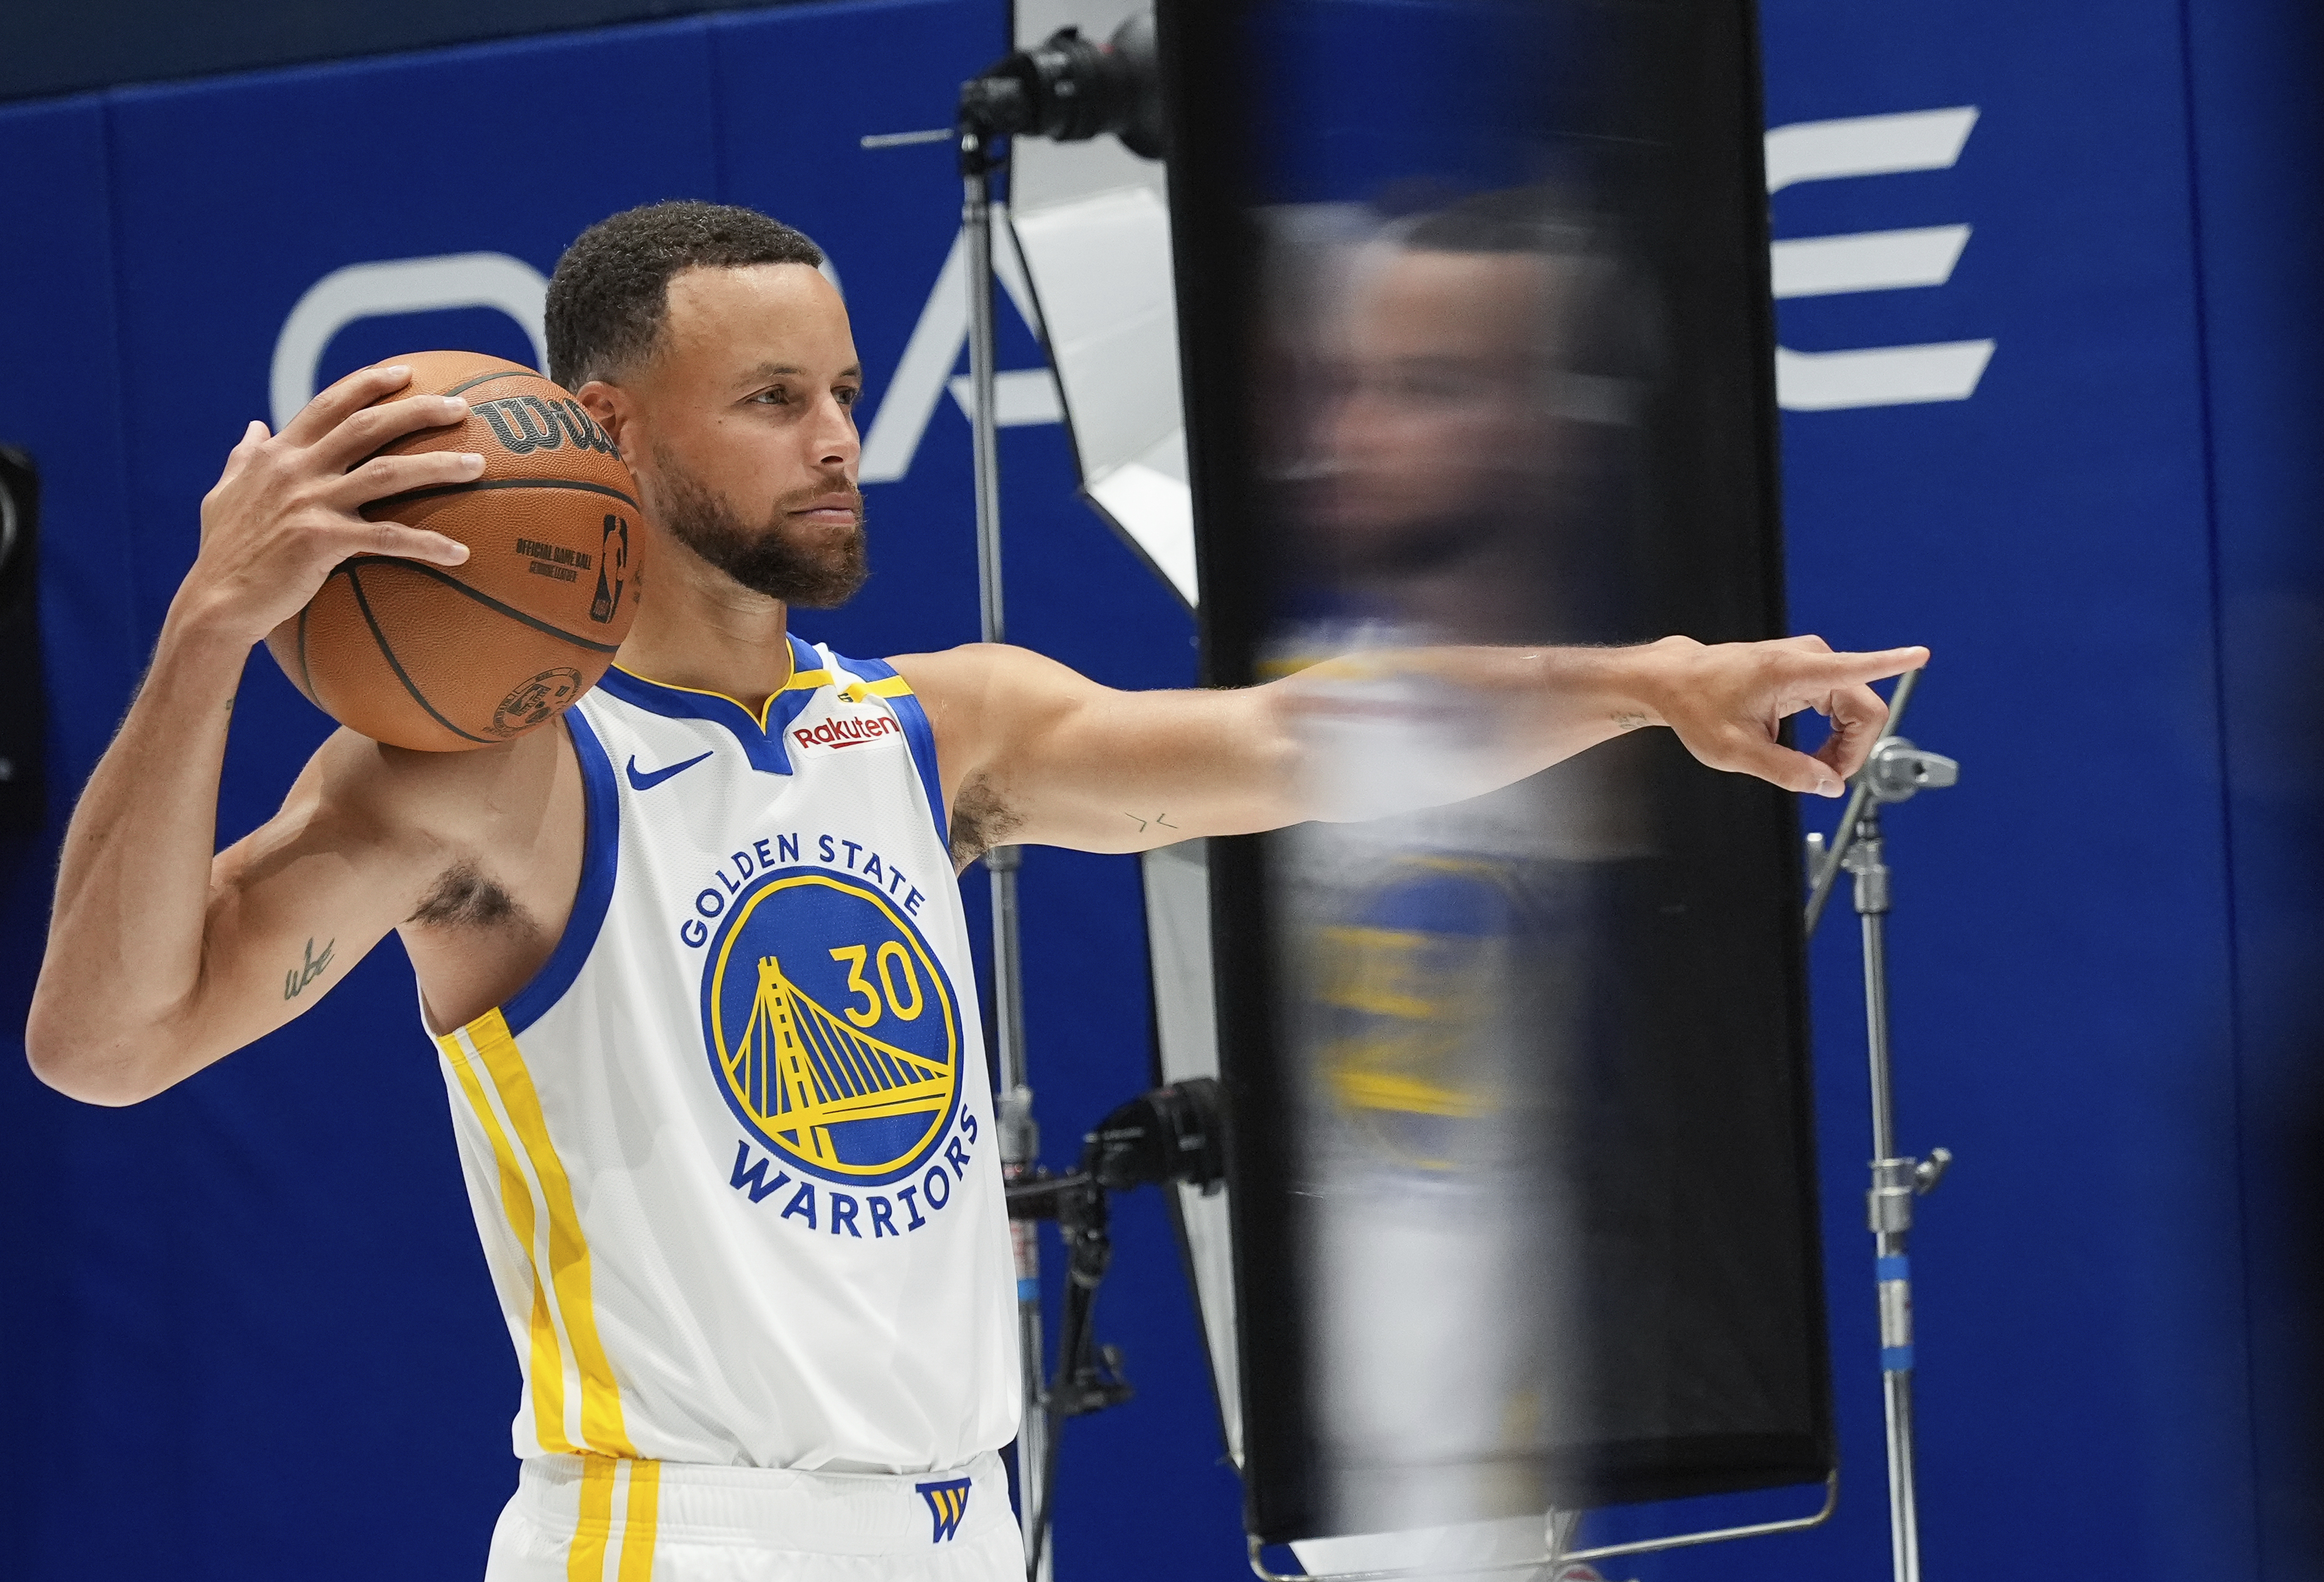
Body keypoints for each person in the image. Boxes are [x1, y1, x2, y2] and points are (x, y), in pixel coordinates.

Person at [24, 201, 1924, 1581]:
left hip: (963, 1521)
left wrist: (1651, 683)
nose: (842, 435)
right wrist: (206, 635)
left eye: (844, 386)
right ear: (605, 436)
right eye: (771, 396)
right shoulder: (500, 778)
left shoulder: (937, 729)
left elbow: (1294, 741)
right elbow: (105, 1047)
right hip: (684, 1536)